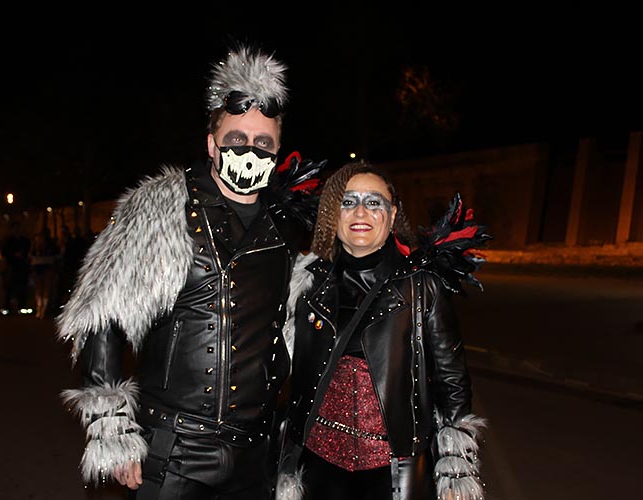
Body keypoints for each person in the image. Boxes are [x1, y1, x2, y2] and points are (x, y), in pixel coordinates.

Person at [57, 44, 325, 500]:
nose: (250, 150)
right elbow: (104, 317)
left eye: (263, 143)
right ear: (212, 144)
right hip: (173, 453)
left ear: (277, 150)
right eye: (237, 138)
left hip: (253, 458)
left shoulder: (284, 227)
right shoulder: (163, 208)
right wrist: (113, 428)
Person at [276, 162, 491, 500]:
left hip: (395, 472)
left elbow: (452, 384)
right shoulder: (306, 283)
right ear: (333, 215)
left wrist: (456, 471)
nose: (360, 211)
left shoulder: (422, 286)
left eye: (374, 202)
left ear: (391, 217)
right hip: (317, 470)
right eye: (348, 201)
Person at [0, 221, 31, 315]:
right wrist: (13, 255)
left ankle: (21, 306)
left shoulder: (24, 240)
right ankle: (7, 306)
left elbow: (28, 251)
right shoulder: (8, 240)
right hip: (12, 266)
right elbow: (4, 252)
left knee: (22, 286)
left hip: (21, 266)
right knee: (10, 287)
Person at [29, 228, 59, 319]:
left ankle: (41, 309)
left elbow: (31, 255)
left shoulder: (47, 244)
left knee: (42, 289)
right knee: (43, 289)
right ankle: (41, 309)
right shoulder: (37, 244)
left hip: (42, 267)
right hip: (43, 267)